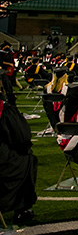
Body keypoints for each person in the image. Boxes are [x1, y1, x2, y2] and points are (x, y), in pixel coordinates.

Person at [0, 89, 38, 224]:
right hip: (3, 162)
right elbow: (22, 138)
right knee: (28, 159)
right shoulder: (4, 109)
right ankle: (22, 209)